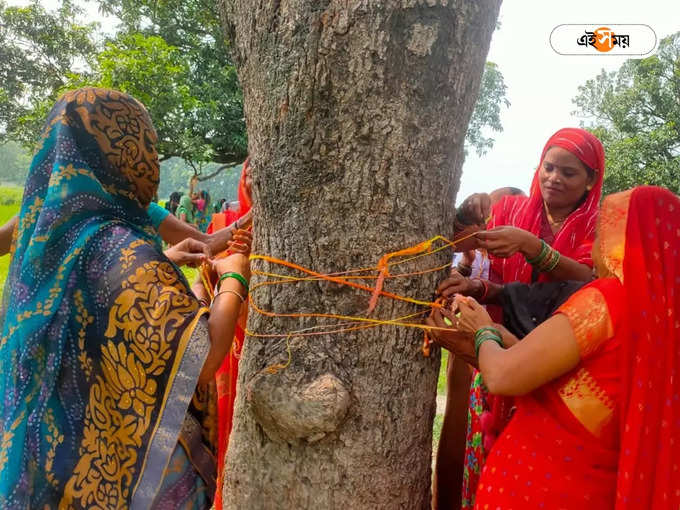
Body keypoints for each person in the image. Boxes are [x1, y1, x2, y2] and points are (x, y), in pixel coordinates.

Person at [0, 87, 249, 508]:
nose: (150, 157)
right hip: (123, 470)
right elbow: (204, 358)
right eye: (146, 143)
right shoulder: (116, 246)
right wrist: (233, 278)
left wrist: (163, 262)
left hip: (46, 461)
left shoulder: (46, 233)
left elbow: (93, 302)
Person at [428, 186, 680, 509]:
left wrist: (482, 331)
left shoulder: (607, 301)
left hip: (536, 489)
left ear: (625, 243)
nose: (597, 247)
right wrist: (499, 338)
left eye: (604, 232)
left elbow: (503, 375)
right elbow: (580, 391)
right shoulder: (659, 327)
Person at [440, 127, 606, 509]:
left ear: (590, 181)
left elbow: (591, 284)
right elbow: (460, 243)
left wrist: (534, 248)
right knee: (482, 450)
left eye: (569, 173)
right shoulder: (509, 210)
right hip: (492, 352)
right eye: (549, 167)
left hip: (554, 370)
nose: (554, 178)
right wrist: (467, 215)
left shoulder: (597, 227)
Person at [434, 186, 524, 509]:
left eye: (502, 217)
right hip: (469, 355)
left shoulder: (523, 257)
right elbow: (448, 241)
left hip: (510, 352)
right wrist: (463, 215)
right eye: (488, 217)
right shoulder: (477, 252)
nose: (492, 225)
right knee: (460, 432)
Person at [194, 157, 253, 507]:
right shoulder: (225, 225)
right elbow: (203, 273)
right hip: (226, 346)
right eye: (250, 175)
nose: (253, 185)